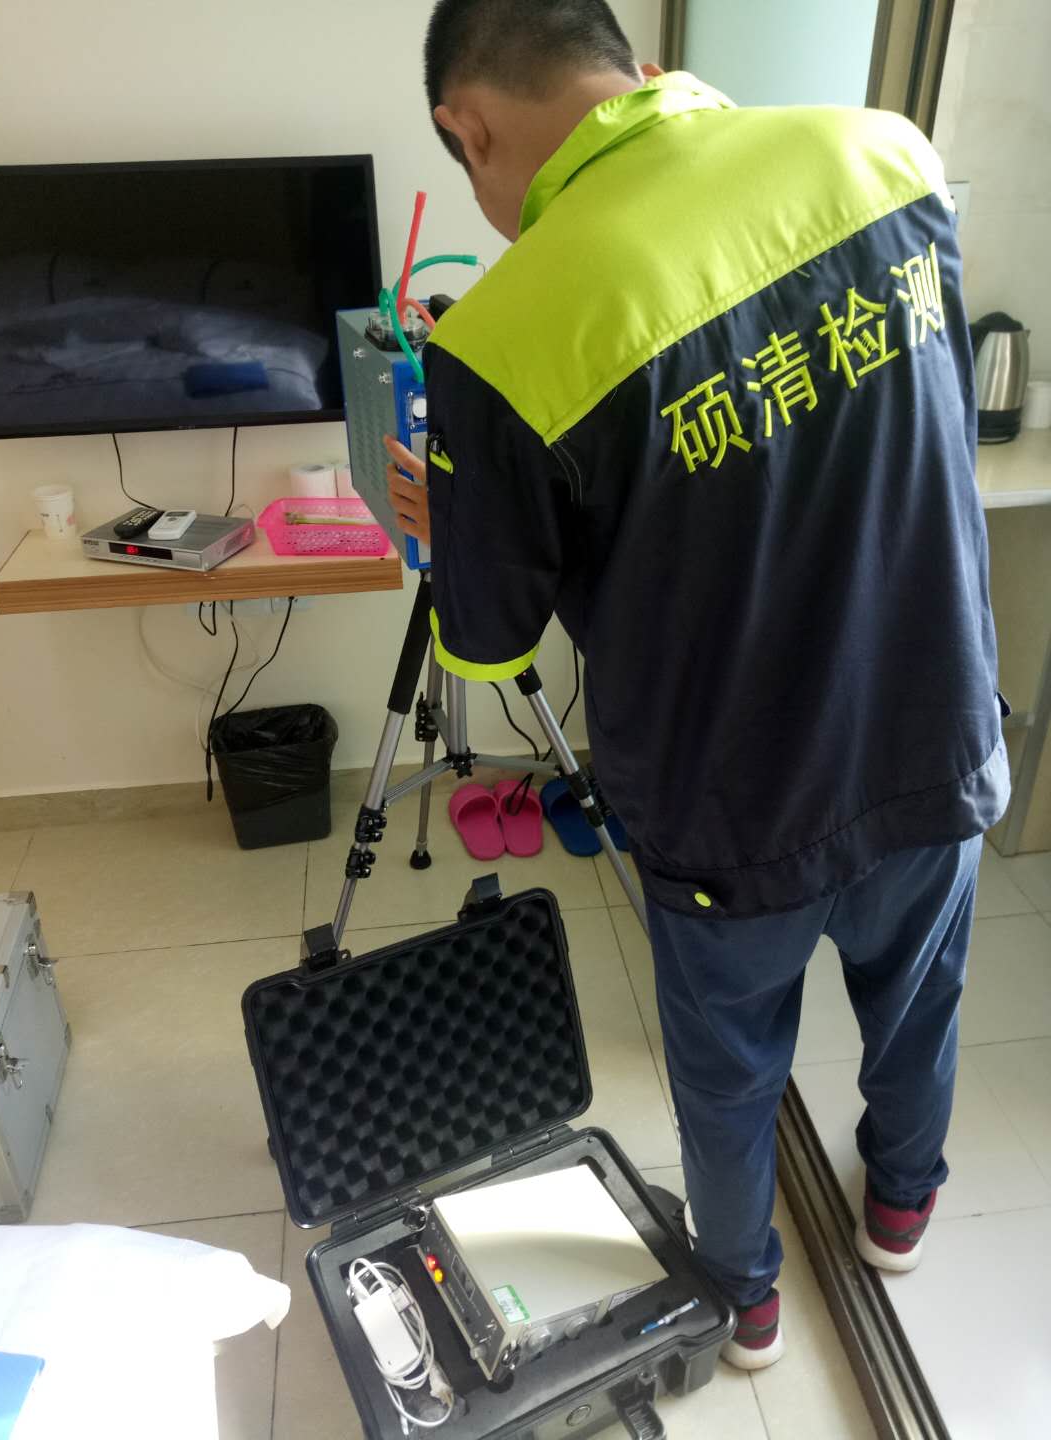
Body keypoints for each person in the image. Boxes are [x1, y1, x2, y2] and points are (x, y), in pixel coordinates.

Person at [385, 0, 1009, 1370]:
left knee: (730, 1072)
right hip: (934, 733)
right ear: (637, 70)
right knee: (922, 1000)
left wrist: (446, 520)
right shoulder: (884, 154)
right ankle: (902, 1207)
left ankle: (743, 1295)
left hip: (733, 810)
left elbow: (489, 642)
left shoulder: (501, 336)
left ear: (466, 127)